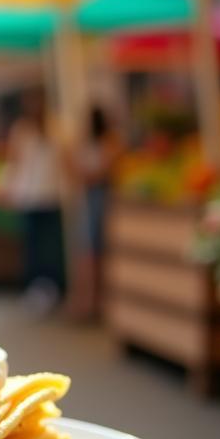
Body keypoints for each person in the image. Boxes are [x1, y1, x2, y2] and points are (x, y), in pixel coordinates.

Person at [2, 90, 64, 308]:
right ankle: (40, 287)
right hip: (34, 196)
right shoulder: (26, 130)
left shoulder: (54, 127)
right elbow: (15, 162)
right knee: (37, 246)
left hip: (46, 196)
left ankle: (47, 287)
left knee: (45, 247)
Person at [66, 105, 124, 319]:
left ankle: (92, 301)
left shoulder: (106, 144)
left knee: (92, 251)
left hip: (97, 198)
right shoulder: (102, 143)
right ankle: (89, 300)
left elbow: (100, 171)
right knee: (89, 251)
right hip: (92, 197)